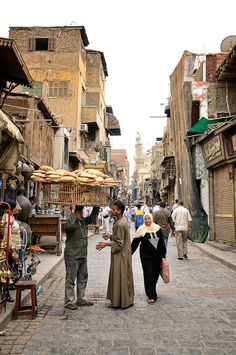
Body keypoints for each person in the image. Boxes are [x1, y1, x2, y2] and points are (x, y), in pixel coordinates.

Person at [96, 200, 134, 309]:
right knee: (121, 276)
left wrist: (105, 244)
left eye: (113, 209)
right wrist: (110, 236)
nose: (111, 211)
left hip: (121, 254)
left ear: (119, 211)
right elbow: (118, 237)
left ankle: (121, 302)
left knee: (120, 276)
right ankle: (123, 300)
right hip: (122, 254)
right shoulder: (120, 220)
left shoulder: (121, 223)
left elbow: (119, 243)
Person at [64, 204, 99, 310]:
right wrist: (73, 212)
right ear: (75, 213)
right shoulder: (71, 223)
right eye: (79, 213)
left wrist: (96, 206)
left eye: (81, 212)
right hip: (72, 256)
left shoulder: (83, 222)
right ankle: (69, 301)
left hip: (83, 256)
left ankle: (81, 298)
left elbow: (93, 217)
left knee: (83, 278)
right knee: (70, 280)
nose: (81, 215)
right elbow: (69, 227)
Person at [131, 213, 166, 304]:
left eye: (149, 218)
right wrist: (128, 254)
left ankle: (152, 289)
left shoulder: (157, 228)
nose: (147, 220)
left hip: (157, 256)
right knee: (148, 274)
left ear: (152, 219)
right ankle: (151, 295)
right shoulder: (140, 230)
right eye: (145, 219)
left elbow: (161, 241)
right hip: (145, 257)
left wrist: (164, 255)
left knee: (155, 274)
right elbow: (134, 244)